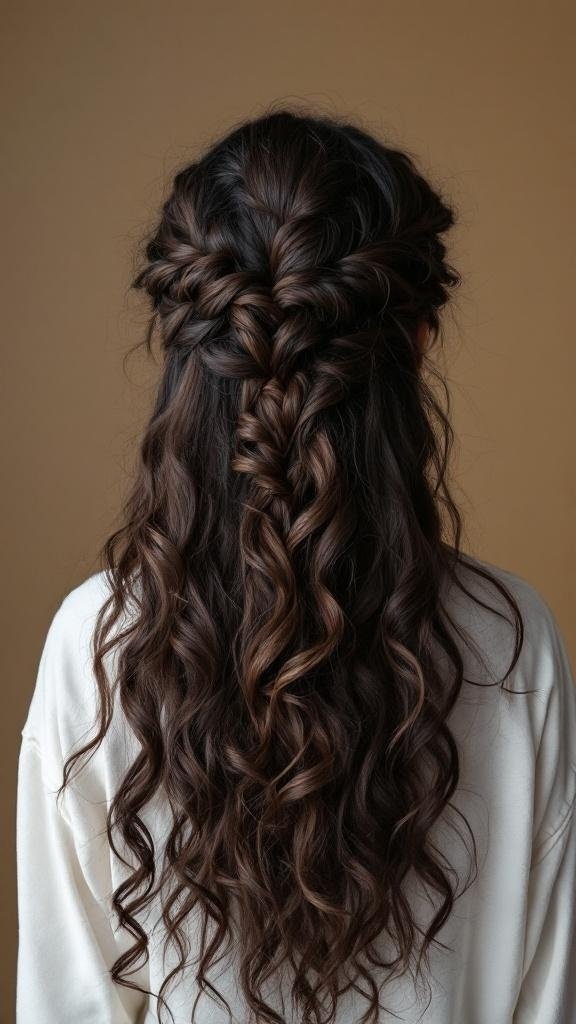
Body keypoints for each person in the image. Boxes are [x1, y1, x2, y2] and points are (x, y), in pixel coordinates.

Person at [16, 107, 576, 1024]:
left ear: (185, 346)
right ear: (420, 342)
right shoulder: (514, 649)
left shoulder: (97, 642)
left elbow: (69, 1006)